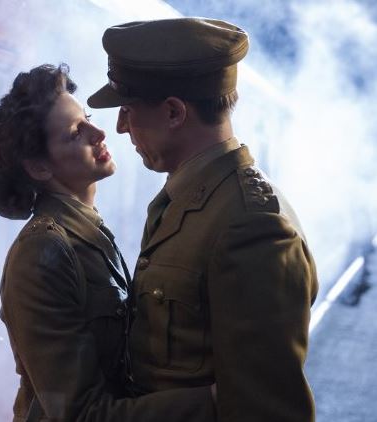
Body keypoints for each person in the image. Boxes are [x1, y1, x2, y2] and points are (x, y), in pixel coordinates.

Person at [87, 18, 319, 422]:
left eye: (127, 110)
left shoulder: (252, 226)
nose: (121, 127)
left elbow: (266, 410)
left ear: (174, 112)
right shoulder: (195, 200)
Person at [0, 64, 216, 421]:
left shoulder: (87, 232)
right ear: (39, 167)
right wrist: (215, 400)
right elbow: (82, 414)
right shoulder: (41, 253)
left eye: (88, 119)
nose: (99, 133)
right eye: (75, 133)